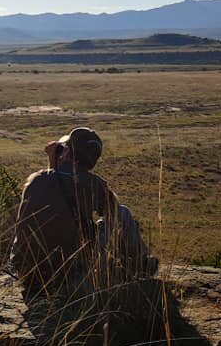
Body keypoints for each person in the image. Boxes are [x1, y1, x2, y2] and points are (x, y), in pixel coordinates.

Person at [11, 126, 157, 298]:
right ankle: (140, 264)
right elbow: (114, 213)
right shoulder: (94, 184)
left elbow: (53, 188)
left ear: (66, 152)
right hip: (70, 275)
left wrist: (53, 161)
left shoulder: (36, 179)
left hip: (28, 274)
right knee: (123, 213)